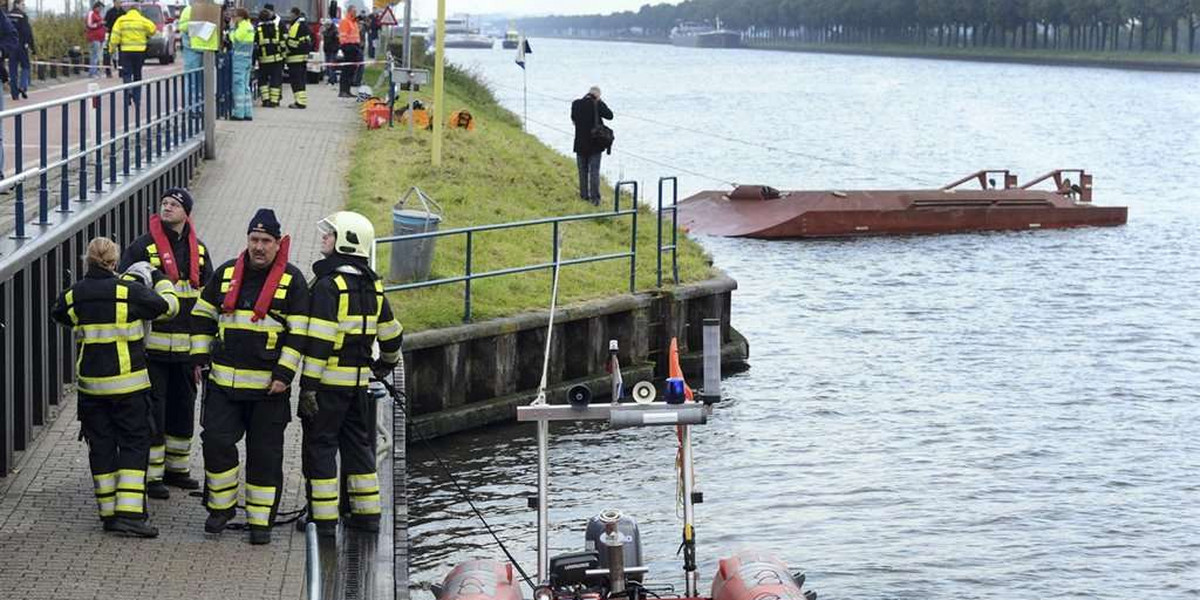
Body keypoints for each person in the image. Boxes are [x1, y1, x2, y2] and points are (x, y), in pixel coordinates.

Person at [191, 209, 309, 546]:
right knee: (215, 444)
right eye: (254, 240)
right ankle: (220, 508)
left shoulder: (293, 281)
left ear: (277, 243)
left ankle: (261, 521)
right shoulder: (227, 273)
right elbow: (202, 315)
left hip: (267, 391)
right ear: (247, 240)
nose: (259, 247)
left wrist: (285, 375)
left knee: (265, 457)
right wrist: (199, 357)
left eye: (266, 241)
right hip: (223, 386)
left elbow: (299, 335)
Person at [51, 238, 180, 538]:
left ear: (87, 261)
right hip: (129, 387)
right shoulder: (128, 292)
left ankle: (109, 513)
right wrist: (159, 280)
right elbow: (168, 308)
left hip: (92, 389)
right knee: (135, 445)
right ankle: (131, 514)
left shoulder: (74, 295)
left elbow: (59, 314)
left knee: (102, 447)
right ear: (113, 262)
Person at [299, 211, 403, 537]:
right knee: (359, 448)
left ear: (346, 240)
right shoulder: (373, 286)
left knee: (321, 448)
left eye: (329, 235)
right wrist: (387, 363)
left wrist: (308, 388)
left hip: (328, 386)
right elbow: (391, 334)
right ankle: (367, 516)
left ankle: (323, 520)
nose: (323, 239)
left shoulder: (329, 286)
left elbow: (318, 341)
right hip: (359, 387)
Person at [117, 188, 212, 500]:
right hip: (153, 349)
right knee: (153, 411)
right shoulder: (141, 247)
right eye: (165, 204)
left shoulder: (199, 250)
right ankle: (152, 475)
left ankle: (177, 469)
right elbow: (126, 289)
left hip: (186, 351)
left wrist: (204, 351)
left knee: (183, 409)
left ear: (187, 213)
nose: (167, 208)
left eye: (174, 204)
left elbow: (210, 299)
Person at [570, 86, 613, 205]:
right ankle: (595, 199)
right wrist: (600, 102)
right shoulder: (598, 104)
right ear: (598, 95)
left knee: (582, 171)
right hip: (595, 144)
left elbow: (573, 120)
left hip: (579, 143)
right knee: (594, 172)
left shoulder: (576, 104)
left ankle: (584, 196)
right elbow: (610, 116)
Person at [108, 3, 156, 105]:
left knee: (127, 74)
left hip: (126, 51)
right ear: (138, 11)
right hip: (140, 51)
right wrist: (146, 34)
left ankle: (128, 94)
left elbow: (115, 36)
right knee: (137, 74)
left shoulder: (121, 20)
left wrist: (111, 49)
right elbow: (153, 29)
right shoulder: (142, 20)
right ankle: (137, 98)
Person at [283, 7, 313, 109]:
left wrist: (285, 40)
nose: (289, 16)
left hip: (295, 58)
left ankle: (299, 102)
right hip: (303, 58)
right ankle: (301, 101)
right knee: (301, 80)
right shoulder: (305, 25)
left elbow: (292, 44)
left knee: (296, 81)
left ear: (295, 14)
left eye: (290, 14)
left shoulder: (295, 26)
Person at [228, 8, 255, 120]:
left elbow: (235, 39)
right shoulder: (250, 26)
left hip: (239, 59)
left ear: (241, 17)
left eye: (235, 16)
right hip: (247, 58)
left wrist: (232, 28)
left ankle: (239, 113)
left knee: (238, 86)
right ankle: (248, 112)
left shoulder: (243, 26)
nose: (234, 19)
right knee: (245, 87)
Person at [255, 8, 284, 108]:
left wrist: (255, 59)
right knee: (275, 80)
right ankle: (274, 101)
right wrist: (283, 56)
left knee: (263, 80)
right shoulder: (276, 28)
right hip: (277, 59)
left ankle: (265, 100)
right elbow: (283, 43)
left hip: (264, 60)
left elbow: (256, 46)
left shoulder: (258, 30)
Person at [7, 1, 33, 101]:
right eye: (23, 4)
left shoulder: (7, 16)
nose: (24, 6)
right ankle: (23, 86)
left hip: (11, 47)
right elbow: (27, 32)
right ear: (17, 4)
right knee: (25, 67)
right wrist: (31, 47)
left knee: (12, 70)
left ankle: (14, 94)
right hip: (22, 46)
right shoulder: (23, 16)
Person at [336, 5, 360, 98]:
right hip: (348, 47)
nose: (355, 13)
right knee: (346, 70)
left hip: (355, 47)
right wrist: (346, 47)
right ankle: (343, 91)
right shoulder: (345, 21)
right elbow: (343, 36)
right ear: (349, 11)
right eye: (354, 11)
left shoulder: (353, 22)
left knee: (351, 71)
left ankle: (347, 91)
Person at [103, 0, 124, 78]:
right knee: (108, 53)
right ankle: (108, 72)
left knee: (122, 54)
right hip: (111, 35)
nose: (119, 4)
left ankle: (121, 72)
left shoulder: (123, 12)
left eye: (120, 2)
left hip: (121, 35)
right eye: (118, 2)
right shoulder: (110, 12)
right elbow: (105, 23)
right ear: (114, 3)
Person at [85, 2, 106, 78]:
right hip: (94, 38)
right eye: (100, 8)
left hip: (99, 38)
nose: (101, 10)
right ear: (96, 7)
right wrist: (100, 24)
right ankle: (92, 72)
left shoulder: (98, 15)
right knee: (94, 55)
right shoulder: (91, 14)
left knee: (97, 56)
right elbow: (89, 24)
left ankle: (95, 71)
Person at [321, 18, 339, 85]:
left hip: (333, 51)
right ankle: (332, 79)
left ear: (329, 25)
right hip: (327, 50)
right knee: (328, 66)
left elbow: (330, 38)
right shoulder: (327, 30)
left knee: (331, 66)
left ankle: (332, 80)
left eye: (326, 25)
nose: (325, 26)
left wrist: (324, 33)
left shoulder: (334, 31)